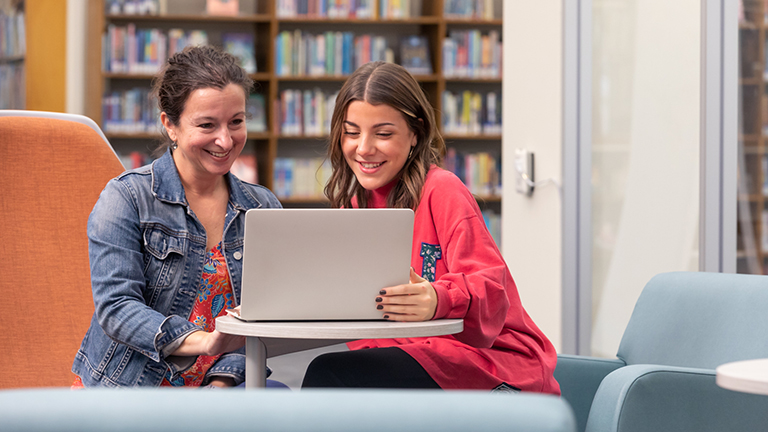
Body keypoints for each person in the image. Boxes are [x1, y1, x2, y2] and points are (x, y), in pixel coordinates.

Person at [301, 61, 560, 393]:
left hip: (492, 364)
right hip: (413, 357)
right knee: (333, 376)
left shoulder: (442, 190)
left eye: (383, 133)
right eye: (351, 132)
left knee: (328, 375)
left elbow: (492, 292)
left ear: (415, 134)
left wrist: (439, 299)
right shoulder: (353, 206)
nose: (363, 148)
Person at [72, 45, 283, 388]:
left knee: (282, 401)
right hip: (132, 388)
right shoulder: (126, 198)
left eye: (237, 122)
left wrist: (222, 383)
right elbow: (117, 308)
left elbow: (265, 319)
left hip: (221, 387)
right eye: (206, 124)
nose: (225, 140)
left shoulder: (263, 208)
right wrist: (203, 342)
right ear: (170, 124)